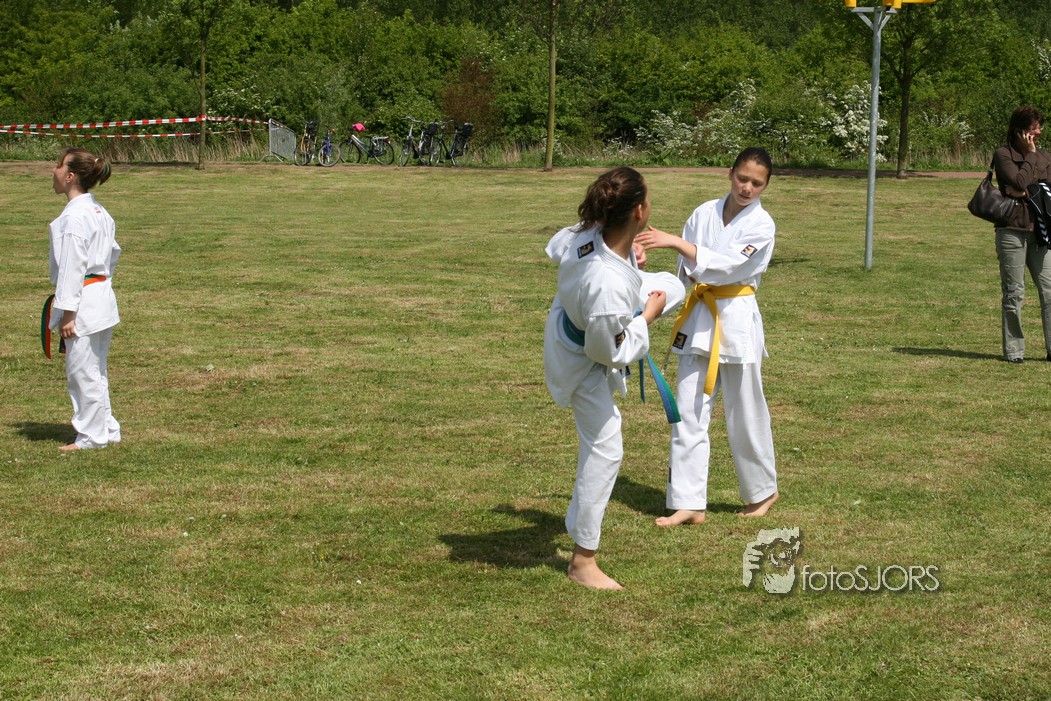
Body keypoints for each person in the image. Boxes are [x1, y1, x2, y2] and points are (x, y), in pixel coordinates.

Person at [543, 167, 684, 590]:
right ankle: (582, 561)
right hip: (583, 355)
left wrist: (625, 256)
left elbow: (556, 247)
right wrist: (646, 317)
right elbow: (607, 351)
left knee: (673, 285)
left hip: (580, 318)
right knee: (606, 449)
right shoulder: (607, 286)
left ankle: (581, 549)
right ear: (639, 211)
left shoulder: (586, 232)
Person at [636, 147, 779, 525]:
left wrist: (677, 243)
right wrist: (646, 281)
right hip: (699, 320)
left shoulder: (762, 225)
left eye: (756, 183)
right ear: (730, 173)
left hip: (737, 321)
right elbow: (685, 276)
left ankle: (763, 490)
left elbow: (725, 266)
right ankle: (689, 502)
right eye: (742, 178)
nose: (747, 188)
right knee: (687, 412)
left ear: (766, 186)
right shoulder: (703, 213)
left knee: (745, 411)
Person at [47, 148, 122, 450]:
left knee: (82, 372)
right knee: (95, 370)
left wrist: (68, 311)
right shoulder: (98, 211)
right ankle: (107, 428)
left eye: (58, 166)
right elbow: (113, 252)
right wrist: (101, 281)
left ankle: (91, 436)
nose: (53, 171)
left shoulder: (75, 217)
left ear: (70, 176)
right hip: (100, 295)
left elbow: (72, 267)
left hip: (84, 302)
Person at [991, 105, 1051, 363]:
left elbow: (1043, 187)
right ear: (1019, 130)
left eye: (1039, 128)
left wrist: (1025, 190)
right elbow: (1017, 181)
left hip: (1040, 233)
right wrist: (1031, 157)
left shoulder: (1046, 156)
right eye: (1033, 128)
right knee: (1014, 293)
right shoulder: (1003, 154)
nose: (1038, 132)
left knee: (1050, 291)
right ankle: (1014, 351)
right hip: (1012, 232)